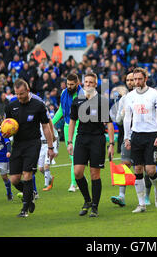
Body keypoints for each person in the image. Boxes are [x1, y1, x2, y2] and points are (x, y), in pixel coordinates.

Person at [4, 79, 56, 218]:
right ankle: (30, 193)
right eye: (17, 94)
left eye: (22, 94)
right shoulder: (11, 106)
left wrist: (51, 147)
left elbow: (46, 126)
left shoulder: (38, 105)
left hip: (33, 143)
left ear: (27, 91)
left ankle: (24, 208)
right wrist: (5, 132)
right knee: (14, 179)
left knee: (27, 175)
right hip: (18, 144)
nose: (19, 97)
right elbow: (7, 124)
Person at [67, 72, 115, 218]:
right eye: (86, 82)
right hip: (81, 139)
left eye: (91, 82)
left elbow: (110, 123)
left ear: (95, 84)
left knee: (95, 174)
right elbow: (72, 121)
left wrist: (111, 144)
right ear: (83, 83)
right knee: (77, 172)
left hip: (97, 140)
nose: (88, 84)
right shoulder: (77, 101)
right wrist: (70, 141)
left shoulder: (102, 101)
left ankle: (95, 207)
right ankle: (87, 200)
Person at [123, 67, 157, 213]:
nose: (136, 82)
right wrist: (126, 137)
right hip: (136, 135)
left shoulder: (155, 95)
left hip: (151, 135)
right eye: (134, 79)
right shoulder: (130, 97)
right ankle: (141, 204)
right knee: (138, 169)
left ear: (145, 79)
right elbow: (127, 117)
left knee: (150, 170)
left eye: (139, 79)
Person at [52, 73, 83, 192]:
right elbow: (61, 109)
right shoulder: (64, 93)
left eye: (71, 84)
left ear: (77, 83)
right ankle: (80, 179)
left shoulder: (83, 95)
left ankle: (73, 184)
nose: (69, 86)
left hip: (79, 127)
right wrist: (51, 122)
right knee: (72, 156)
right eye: (68, 84)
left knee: (74, 156)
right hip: (66, 127)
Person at [111, 72, 138, 207]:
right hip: (128, 137)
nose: (130, 82)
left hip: (143, 136)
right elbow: (118, 121)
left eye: (132, 79)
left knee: (143, 168)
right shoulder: (123, 99)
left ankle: (148, 194)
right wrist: (121, 114)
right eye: (127, 80)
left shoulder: (146, 96)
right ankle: (121, 196)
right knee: (124, 165)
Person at [38, 124, 59, 191]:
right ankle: (50, 177)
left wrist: (55, 150)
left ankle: (46, 185)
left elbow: (56, 136)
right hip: (41, 147)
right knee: (40, 169)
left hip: (49, 146)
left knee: (46, 166)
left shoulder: (48, 123)